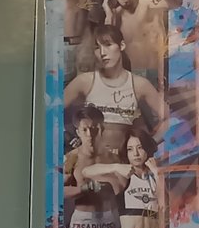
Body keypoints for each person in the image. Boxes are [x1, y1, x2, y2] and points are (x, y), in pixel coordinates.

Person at [62, 26, 165, 159]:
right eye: (97, 48)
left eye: (108, 45)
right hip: (90, 161)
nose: (102, 52)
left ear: (121, 45)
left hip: (121, 161)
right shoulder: (84, 81)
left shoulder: (140, 85)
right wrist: (69, 137)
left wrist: (147, 145)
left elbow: (171, 118)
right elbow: (50, 111)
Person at [79, 129, 164, 228]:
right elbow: (86, 172)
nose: (135, 154)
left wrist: (158, 174)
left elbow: (164, 207)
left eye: (140, 147)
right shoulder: (123, 177)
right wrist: (115, 167)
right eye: (130, 149)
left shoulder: (155, 176)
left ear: (147, 148)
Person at [100, 0, 175, 77]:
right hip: (128, 75)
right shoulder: (114, 15)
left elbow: (176, 2)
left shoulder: (146, 2)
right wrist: (109, 14)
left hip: (154, 73)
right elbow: (107, 49)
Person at [60, 105, 117, 228]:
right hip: (83, 222)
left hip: (108, 220)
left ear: (101, 128)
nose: (89, 135)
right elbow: (59, 191)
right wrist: (85, 188)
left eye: (93, 128)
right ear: (78, 132)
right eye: (84, 130)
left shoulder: (113, 157)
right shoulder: (71, 158)